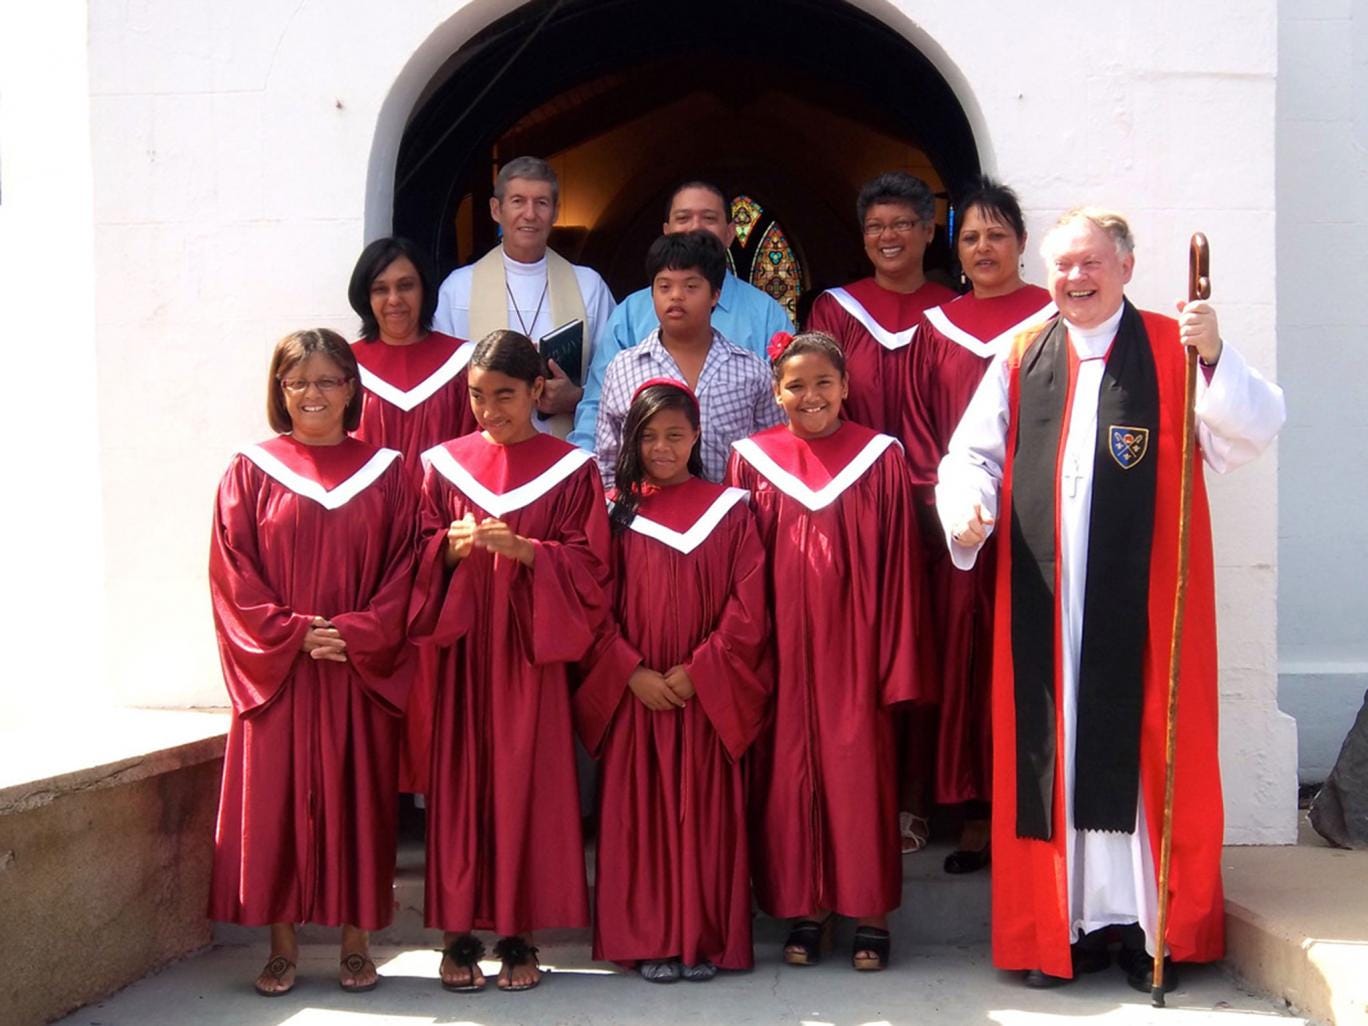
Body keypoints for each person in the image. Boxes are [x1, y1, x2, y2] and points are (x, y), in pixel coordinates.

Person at [936, 208, 1285, 991]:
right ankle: (1063, 927)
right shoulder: (1021, 351)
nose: (1074, 278)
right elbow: (972, 450)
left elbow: (1252, 429)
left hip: (1149, 598)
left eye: (1091, 262)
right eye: (1062, 266)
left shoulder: (1171, 344)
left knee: (1145, 744)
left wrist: (1217, 355)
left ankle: (1147, 928)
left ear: (1125, 266)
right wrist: (966, 499)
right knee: (1052, 750)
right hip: (1047, 600)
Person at [208, 329, 418, 997]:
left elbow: (406, 571)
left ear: (353, 389)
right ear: (281, 390)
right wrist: (291, 634)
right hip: (282, 671)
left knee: (359, 802)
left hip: (355, 668)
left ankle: (357, 943)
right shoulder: (249, 470)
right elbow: (230, 572)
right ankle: (280, 944)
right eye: (299, 382)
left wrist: (355, 633)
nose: (313, 393)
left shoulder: (388, 471)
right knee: (276, 808)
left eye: (328, 380)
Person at [410, 329, 611, 993]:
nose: (489, 410)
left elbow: (591, 569)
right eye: (476, 395)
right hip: (463, 659)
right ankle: (457, 933)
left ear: (537, 391)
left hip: (531, 660)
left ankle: (519, 935)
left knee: (528, 791)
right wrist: (447, 549)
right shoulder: (442, 464)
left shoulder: (570, 468)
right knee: (462, 791)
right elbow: (409, 557)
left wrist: (529, 552)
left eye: (504, 395)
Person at [727, 331, 932, 972]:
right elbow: (740, 564)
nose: (809, 396)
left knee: (858, 774)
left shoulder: (880, 457)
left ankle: (870, 914)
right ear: (776, 391)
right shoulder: (750, 459)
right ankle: (805, 910)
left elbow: (902, 564)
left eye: (823, 383)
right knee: (786, 780)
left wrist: (895, 660)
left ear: (845, 386)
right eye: (796, 385)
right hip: (780, 646)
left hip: (856, 645)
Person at [575, 379, 771, 983]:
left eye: (676, 434)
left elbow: (748, 607)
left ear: (697, 436)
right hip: (639, 694)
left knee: (707, 820)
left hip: (702, 695)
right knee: (640, 820)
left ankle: (704, 939)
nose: (662, 447)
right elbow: (591, 602)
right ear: (630, 438)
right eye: (649, 435)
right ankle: (652, 939)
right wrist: (629, 672)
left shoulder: (731, 507)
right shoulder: (613, 510)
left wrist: (699, 672)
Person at [902, 178, 1056, 873]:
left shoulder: (1055, 319)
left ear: (1022, 243)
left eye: (998, 234)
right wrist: (955, 513)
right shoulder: (936, 331)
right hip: (962, 532)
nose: (985, 247)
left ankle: (1031, 804)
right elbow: (922, 433)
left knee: (1036, 662)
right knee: (968, 665)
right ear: (956, 250)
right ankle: (974, 813)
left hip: (1041, 526)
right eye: (971, 236)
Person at [347, 236, 478, 795]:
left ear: (425, 290)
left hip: (436, 543)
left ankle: (429, 800)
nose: (393, 300)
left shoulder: (460, 361)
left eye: (405, 286)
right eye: (380, 289)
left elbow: (479, 447)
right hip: (368, 545)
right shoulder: (343, 367)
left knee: (431, 673)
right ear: (364, 297)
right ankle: (376, 795)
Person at [569, 180, 792, 449]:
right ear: (666, 231)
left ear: (730, 232)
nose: (695, 227)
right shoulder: (631, 312)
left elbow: (785, 411)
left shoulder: (766, 313)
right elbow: (598, 407)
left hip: (734, 487)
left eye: (708, 218)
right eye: (683, 218)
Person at [433, 156, 616, 439]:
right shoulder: (459, 288)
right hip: (484, 457)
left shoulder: (589, 286)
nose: (530, 214)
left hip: (564, 455)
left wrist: (576, 397)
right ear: (496, 209)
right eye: (518, 201)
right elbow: (442, 387)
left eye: (541, 203)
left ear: (555, 211)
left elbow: (615, 378)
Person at [595, 230, 781, 488]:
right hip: (644, 519)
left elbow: (774, 456)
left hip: (728, 518)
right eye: (664, 286)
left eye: (690, 286)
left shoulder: (751, 370)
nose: (676, 296)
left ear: (715, 294)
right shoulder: (624, 367)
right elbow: (608, 459)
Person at [806, 170, 957, 436]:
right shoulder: (835, 310)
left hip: (940, 474)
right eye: (875, 226)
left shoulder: (955, 313)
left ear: (929, 231)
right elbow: (818, 401)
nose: (887, 237)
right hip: (853, 470)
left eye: (901, 224)